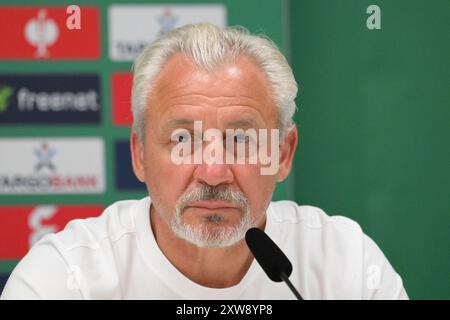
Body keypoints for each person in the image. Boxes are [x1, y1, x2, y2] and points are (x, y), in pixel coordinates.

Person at [1, 23, 408, 300]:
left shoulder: (347, 266)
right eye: (183, 140)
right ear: (139, 154)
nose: (213, 171)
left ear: (283, 153)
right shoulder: (64, 278)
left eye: (242, 140)